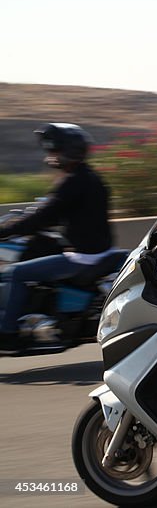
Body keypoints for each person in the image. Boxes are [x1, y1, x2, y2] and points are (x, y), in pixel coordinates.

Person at [0, 124, 115, 354]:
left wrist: (6, 230)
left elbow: (43, 216)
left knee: (17, 273)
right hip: (97, 251)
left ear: (66, 152)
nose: (50, 156)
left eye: (53, 151)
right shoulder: (90, 177)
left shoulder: (73, 182)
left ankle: (7, 335)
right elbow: (56, 211)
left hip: (82, 257)